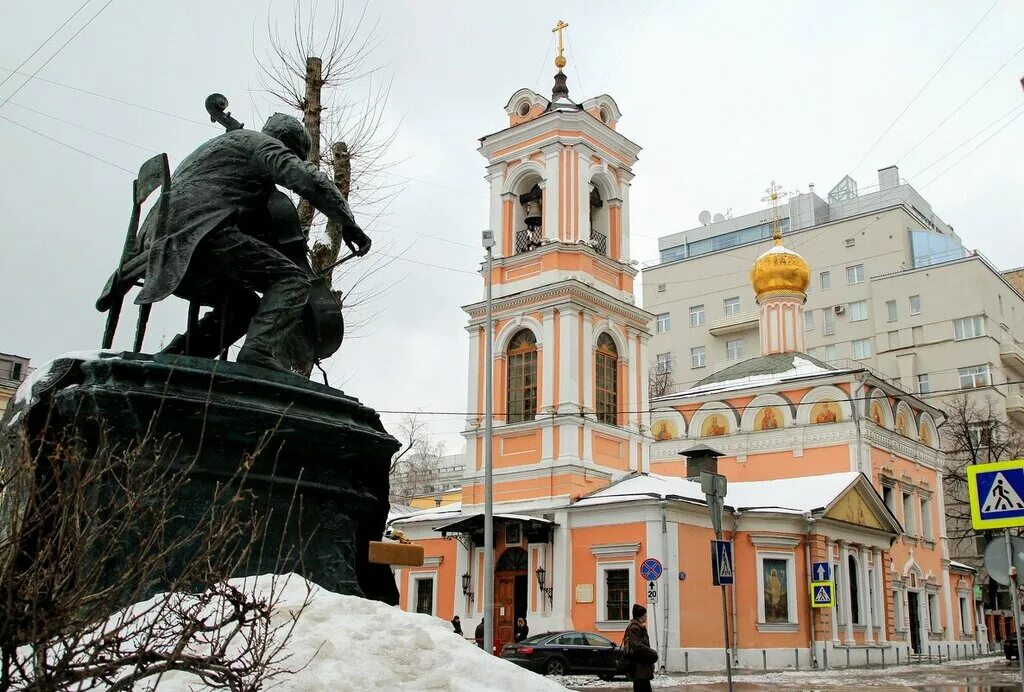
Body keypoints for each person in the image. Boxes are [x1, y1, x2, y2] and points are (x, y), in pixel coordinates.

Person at [138, 113, 371, 373]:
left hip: (156, 241)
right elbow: (306, 178)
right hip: (198, 233)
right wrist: (347, 222)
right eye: (292, 153)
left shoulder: (217, 148)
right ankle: (258, 351)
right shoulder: (261, 144)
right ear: (285, 143)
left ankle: (178, 360)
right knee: (292, 281)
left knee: (243, 306)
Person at [623, 604, 657, 692]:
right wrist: (651, 653)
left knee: (643, 687)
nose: (646, 617)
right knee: (641, 687)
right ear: (641, 616)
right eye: (645, 615)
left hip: (642, 666)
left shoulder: (638, 627)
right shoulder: (634, 628)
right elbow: (637, 645)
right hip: (638, 667)